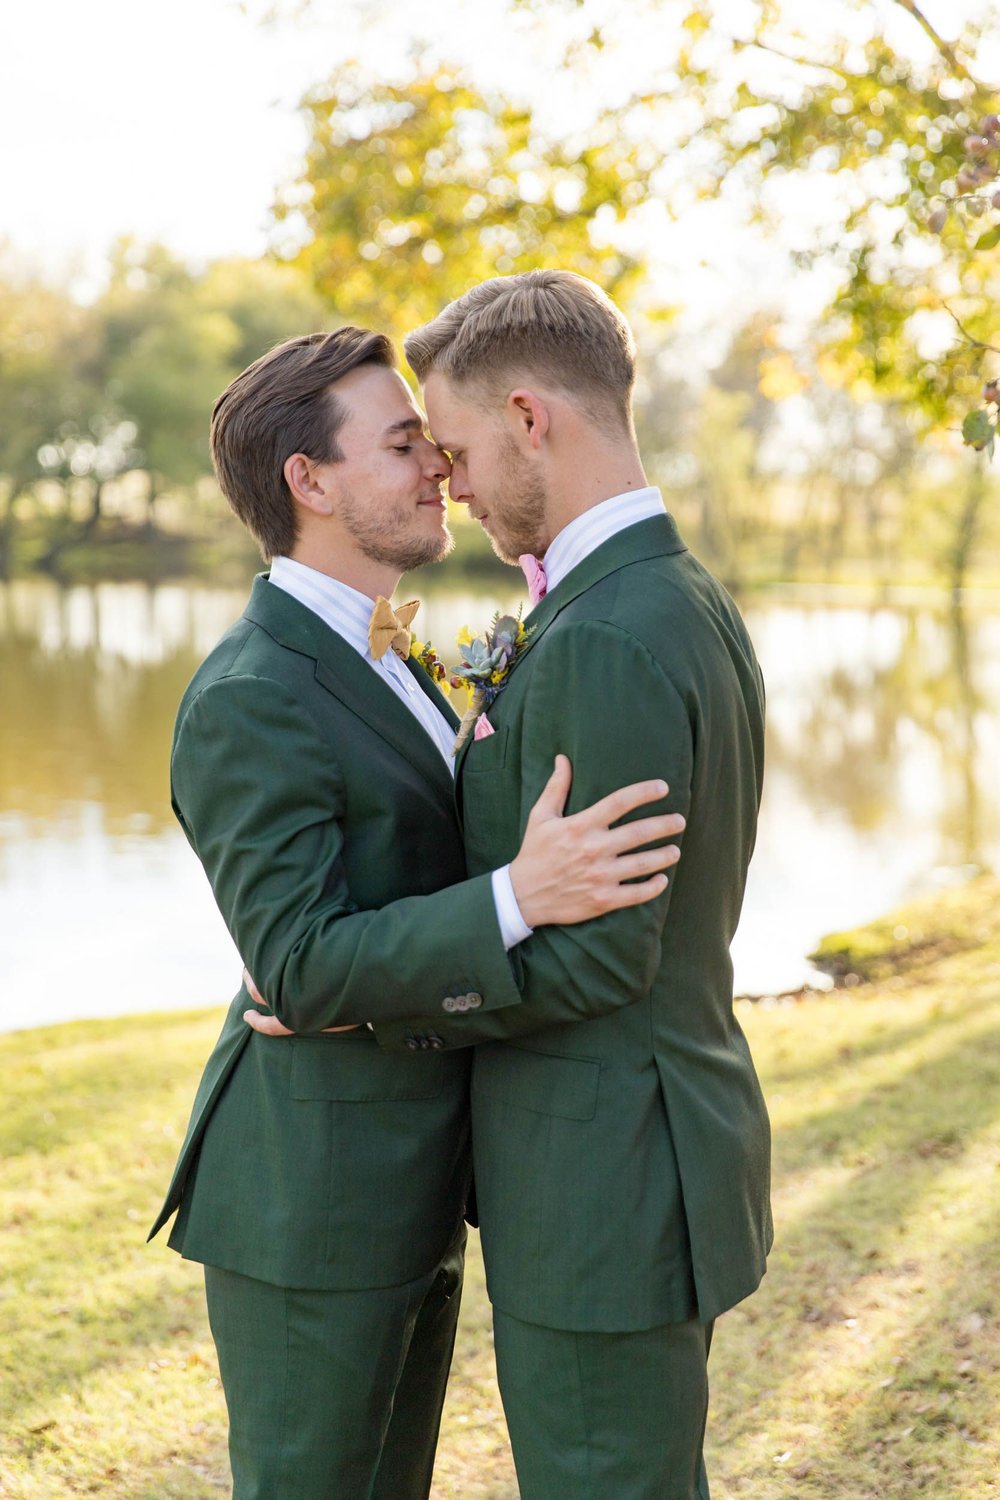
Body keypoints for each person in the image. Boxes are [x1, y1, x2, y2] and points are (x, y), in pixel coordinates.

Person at [252, 271, 772, 1499]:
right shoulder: (663, 596)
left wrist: (366, 1007)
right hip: (629, 1160)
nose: (453, 483)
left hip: (604, 1180)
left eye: (458, 448)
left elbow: (603, 952)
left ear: (530, 419)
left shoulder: (604, 635)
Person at [148, 325, 686, 1500]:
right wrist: (516, 896)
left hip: (413, 1173)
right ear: (310, 481)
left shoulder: (391, 653)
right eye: (401, 445)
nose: (438, 464)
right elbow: (297, 965)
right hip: (311, 1194)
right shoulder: (251, 692)